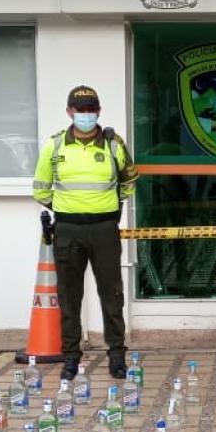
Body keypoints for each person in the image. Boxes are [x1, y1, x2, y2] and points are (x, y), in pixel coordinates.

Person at [33, 85, 138, 380]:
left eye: (91, 110)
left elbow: (129, 180)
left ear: (99, 112)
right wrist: (66, 207)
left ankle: (117, 355)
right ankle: (70, 357)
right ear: (69, 112)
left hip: (104, 228)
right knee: (69, 296)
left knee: (112, 293)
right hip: (67, 228)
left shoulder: (114, 145)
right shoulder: (54, 147)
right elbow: (40, 189)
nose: (86, 115)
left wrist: (110, 206)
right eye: (80, 110)